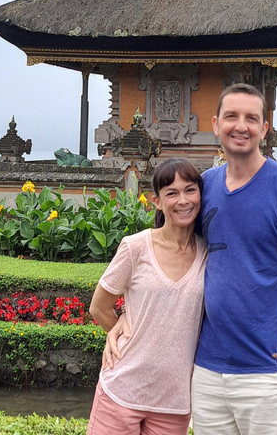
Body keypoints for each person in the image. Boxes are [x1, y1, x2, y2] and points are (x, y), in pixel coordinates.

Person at [192, 83, 277, 434]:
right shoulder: (203, 187)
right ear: (216, 124)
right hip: (207, 369)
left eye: (252, 118)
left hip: (266, 371)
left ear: (265, 128)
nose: (241, 126)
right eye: (231, 116)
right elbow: (174, 256)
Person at [87, 158, 206, 435]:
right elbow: (99, 306)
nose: (183, 200)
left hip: (174, 401)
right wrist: (120, 324)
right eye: (172, 193)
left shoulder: (208, 253)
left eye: (190, 190)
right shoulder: (136, 247)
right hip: (122, 389)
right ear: (157, 201)